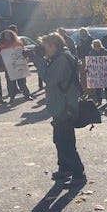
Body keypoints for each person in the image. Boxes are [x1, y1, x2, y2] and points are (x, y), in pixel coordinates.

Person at [31, 32, 86, 187]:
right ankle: (65, 169)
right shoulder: (60, 56)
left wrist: (38, 60)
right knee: (60, 141)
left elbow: (49, 79)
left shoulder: (61, 59)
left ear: (53, 45)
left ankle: (79, 174)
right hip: (61, 106)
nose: (44, 50)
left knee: (66, 142)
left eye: (45, 47)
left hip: (64, 107)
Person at [0, 29, 33, 104]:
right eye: (5, 35)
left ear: (12, 35)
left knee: (22, 82)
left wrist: (25, 61)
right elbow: (2, 57)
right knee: (11, 84)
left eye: (9, 34)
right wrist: (5, 66)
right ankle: (12, 97)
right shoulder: (2, 46)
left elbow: (23, 53)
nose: (7, 36)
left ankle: (27, 95)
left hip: (19, 66)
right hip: (9, 68)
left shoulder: (18, 43)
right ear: (3, 37)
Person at [87, 39, 107, 105]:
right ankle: (99, 101)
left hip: (105, 73)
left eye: (98, 45)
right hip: (96, 74)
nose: (97, 47)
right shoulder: (91, 52)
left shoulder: (105, 51)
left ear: (100, 45)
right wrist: (88, 69)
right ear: (93, 46)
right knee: (97, 88)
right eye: (95, 45)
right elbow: (89, 63)